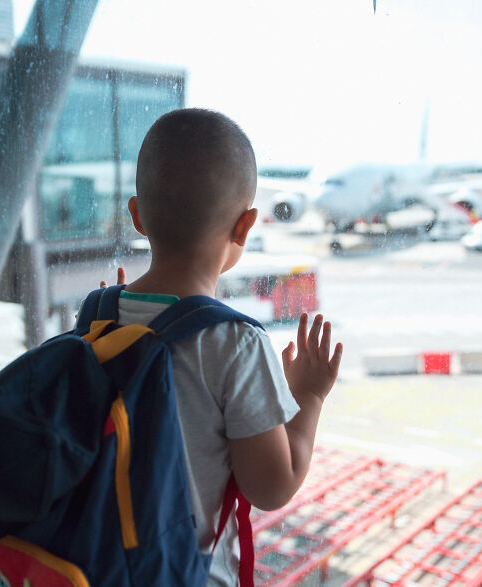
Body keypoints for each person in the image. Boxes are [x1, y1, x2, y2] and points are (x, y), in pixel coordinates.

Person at [102, 108, 343, 586]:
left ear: (137, 216)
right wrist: (308, 397)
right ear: (244, 226)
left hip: (100, 564)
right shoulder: (235, 343)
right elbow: (272, 487)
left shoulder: (97, 314)